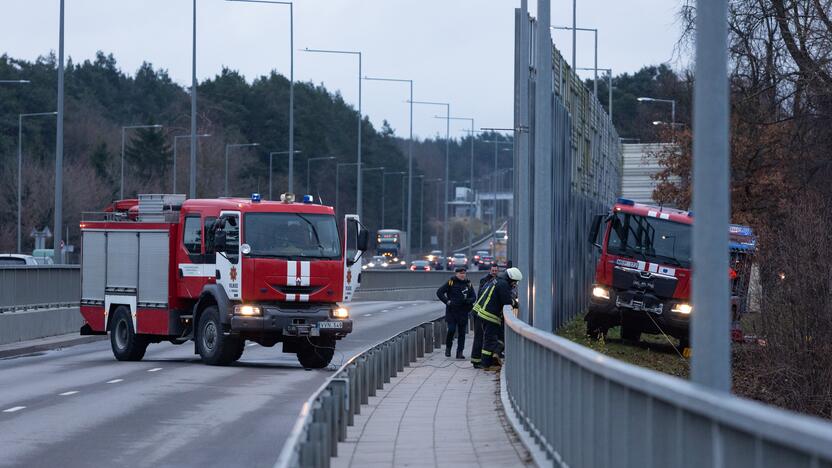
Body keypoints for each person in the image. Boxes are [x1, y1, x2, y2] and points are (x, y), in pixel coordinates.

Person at [473, 267, 523, 371]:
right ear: (510, 278)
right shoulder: (504, 285)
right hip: (489, 315)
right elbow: (507, 301)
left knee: (492, 337)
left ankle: (489, 358)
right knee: (490, 340)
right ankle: (486, 364)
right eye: (514, 282)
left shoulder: (497, 281)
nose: (515, 284)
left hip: (482, 312)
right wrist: (516, 303)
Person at [436, 267, 476, 359]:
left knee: (462, 333)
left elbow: (474, 297)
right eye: (460, 273)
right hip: (452, 311)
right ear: (456, 274)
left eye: (464, 273)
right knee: (451, 330)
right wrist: (447, 301)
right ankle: (448, 348)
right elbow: (439, 292)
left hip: (463, 311)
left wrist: (469, 300)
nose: (462, 275)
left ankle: (460, 352)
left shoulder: (468, 283)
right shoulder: (451, 282)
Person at [470, 264, 500, 368]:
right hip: (480, 312)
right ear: (490, 270)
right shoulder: (486, 281)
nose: (494, 272)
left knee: (485, 337)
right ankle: (476, 360)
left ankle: (484, 360)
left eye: (496, 270)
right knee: (479, 337)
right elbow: (482, 295)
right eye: (493, 270)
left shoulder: (497, 280)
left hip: (482, 312)